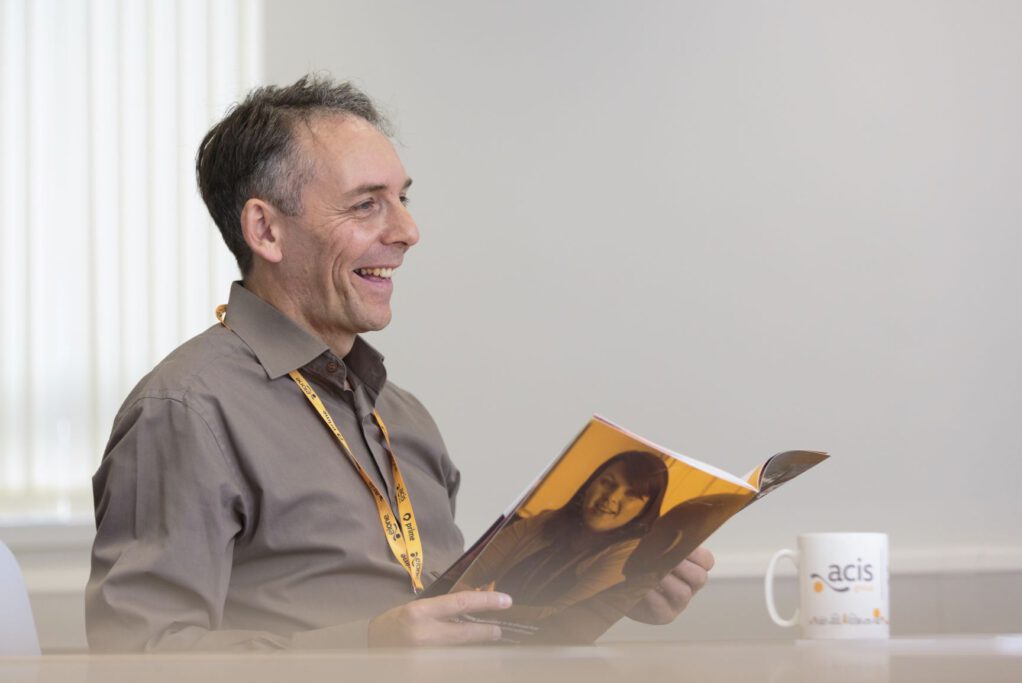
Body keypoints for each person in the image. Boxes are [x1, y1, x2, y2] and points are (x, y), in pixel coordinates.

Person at [85, 75, 714, 652]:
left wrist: (605, 590)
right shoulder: (185, 411)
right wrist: (365, 650)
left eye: (403, 199)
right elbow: (135, 656)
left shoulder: (405, 418)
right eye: (366, 205)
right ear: (266, 231)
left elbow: (456, 633)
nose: (409, 231)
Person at [453, 451, 669, 643]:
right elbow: (465, 574)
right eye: (607, 483)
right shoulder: (543, 521)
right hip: (474, 635)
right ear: (590, 484)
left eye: (632, 494)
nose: (611, 498)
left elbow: (560, 616)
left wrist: (480, 604)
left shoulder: (630, 554)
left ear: (645, 510)